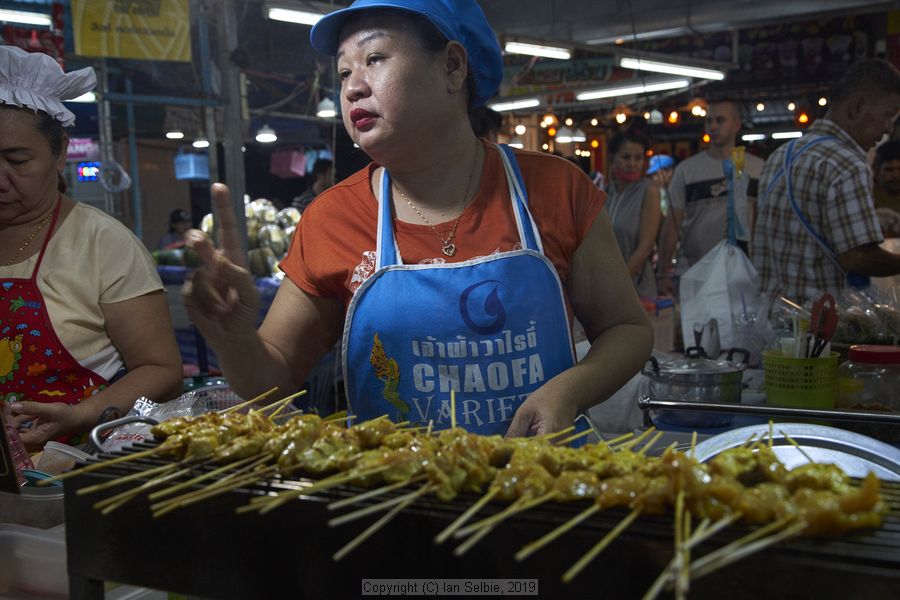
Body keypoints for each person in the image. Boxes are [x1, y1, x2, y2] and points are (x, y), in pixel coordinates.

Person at [184, 0, 653, 437]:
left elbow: (627, 330)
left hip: (542, 489)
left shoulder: (554, 188)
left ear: (452, 65)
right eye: (344, 70)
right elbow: (276, 378)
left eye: (374, 59)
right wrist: (235, 338)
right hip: (398, 502)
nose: (352, 85)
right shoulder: (333, 218)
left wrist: (569, 390)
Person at [0, 46, 182, 450]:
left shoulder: (102, 242)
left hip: (71, 465)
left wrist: (82, 413)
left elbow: (162, 370)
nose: (1, 178)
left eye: (17, 159)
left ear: (60, 151)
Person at [752, 58, 900, 305]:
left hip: (774, 322)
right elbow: (857, 257)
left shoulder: (781, 155)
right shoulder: (847, 163)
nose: (887, 129)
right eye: (888, 115)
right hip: (822, 328)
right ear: (857, 107)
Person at [657, 100, 764, 296]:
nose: (713, 126)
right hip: (694, 270)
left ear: (737, 124)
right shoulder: (687, 171)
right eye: (709, 121)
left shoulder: (757, 169)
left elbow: (761, 223)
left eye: (720, 120)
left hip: (743, 272)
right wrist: (663, 273)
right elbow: (672, 224)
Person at [604, 132, 662, 299]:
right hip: (604, 283)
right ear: (613, 158)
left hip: (635, 285)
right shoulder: (606, 192)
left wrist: (618, 284)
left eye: (638, 158)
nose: (632, 164)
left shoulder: (649, 191)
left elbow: (645, 247)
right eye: (626, 157)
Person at [873, 140, 900, 237]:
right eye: (889, 170)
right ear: (878, 171)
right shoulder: (867, 195)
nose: (896, 175)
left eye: (899, 169)